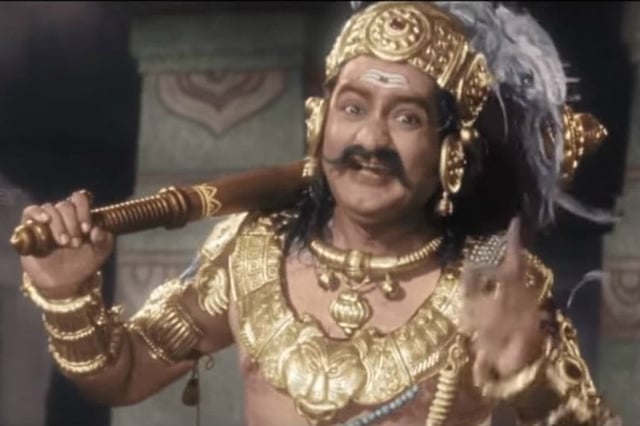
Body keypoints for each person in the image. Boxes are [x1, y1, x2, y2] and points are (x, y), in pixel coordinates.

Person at [17, 2, 621, 425]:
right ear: (319, 123)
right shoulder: (252, 253)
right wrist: (67, 295)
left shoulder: (491, 283)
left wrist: (527, 376)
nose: (371, 139)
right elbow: (122, 374)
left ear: (451, 153)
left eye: (406, 117)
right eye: (353, 108)